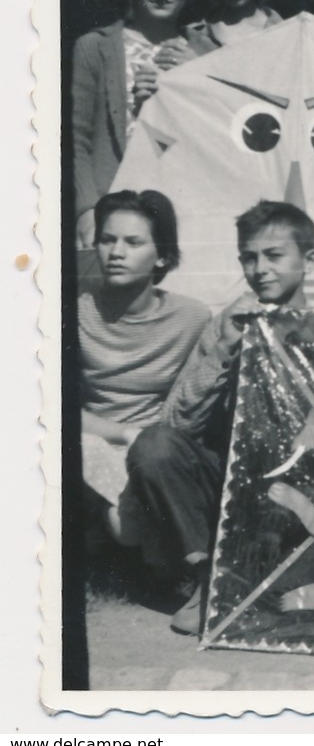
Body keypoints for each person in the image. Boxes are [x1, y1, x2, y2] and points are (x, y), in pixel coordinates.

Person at [155, 200, 314, 633]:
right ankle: (210, 578)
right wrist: (226, 347)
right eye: (249, 257)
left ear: (309, 261)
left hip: (294, 484)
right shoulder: (228, 323)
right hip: (228, 478)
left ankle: (270, 578)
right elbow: (176, 420)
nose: (260, 268)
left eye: (274, 256)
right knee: (155, 446)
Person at [76, 190, 212, 630]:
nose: (115, 252)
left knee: (132, 524)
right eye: (107, 239)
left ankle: (200, 576)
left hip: (153, 451)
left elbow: (197, 402)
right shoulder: (71, 307)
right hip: (89, 438)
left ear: (161, 256)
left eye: (133, 243)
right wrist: (117, 432)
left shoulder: (192, 318)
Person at [70, 0, 198, 247]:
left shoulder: (201, 52)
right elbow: (76, 140)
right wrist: (86, 211)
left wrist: (194, 76)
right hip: (109, 210)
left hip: (181, 209)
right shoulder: (94, 48)